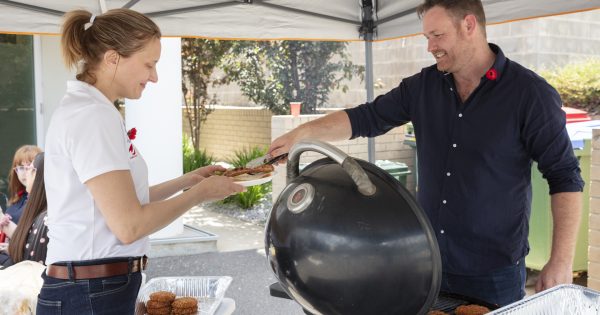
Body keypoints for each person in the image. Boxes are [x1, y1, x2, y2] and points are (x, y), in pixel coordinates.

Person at [268, 0, 584, 307]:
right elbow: (366, 117)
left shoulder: (529, 94)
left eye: (437, 35)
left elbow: (565, 176)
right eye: (427, 37)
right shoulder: (422, 87)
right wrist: (301, 133)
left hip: (493, 271)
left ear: (469, 25)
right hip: (427, 261)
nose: (430, 47)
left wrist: (561, 261)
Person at [37, 9, 244, 314]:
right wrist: (200, 195)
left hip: (91, 288)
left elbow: (126, 201)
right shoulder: (92, 116)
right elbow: (130, 225)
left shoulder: (93, 110)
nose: (155, 77)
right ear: (113, 58)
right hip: (90, 292)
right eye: (149, 64)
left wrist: (189, 181)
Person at [0, 152, 48, 269]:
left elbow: (32, 256)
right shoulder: (18, 199)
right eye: (20, 167)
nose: (25, 172)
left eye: (29, 168)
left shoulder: (45, 216)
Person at [5, 145, 42, 224]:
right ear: (16, 171)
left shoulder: (45, 200)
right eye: (21, 168)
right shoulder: (19, 197)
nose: (27, 172)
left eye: (30, 167)